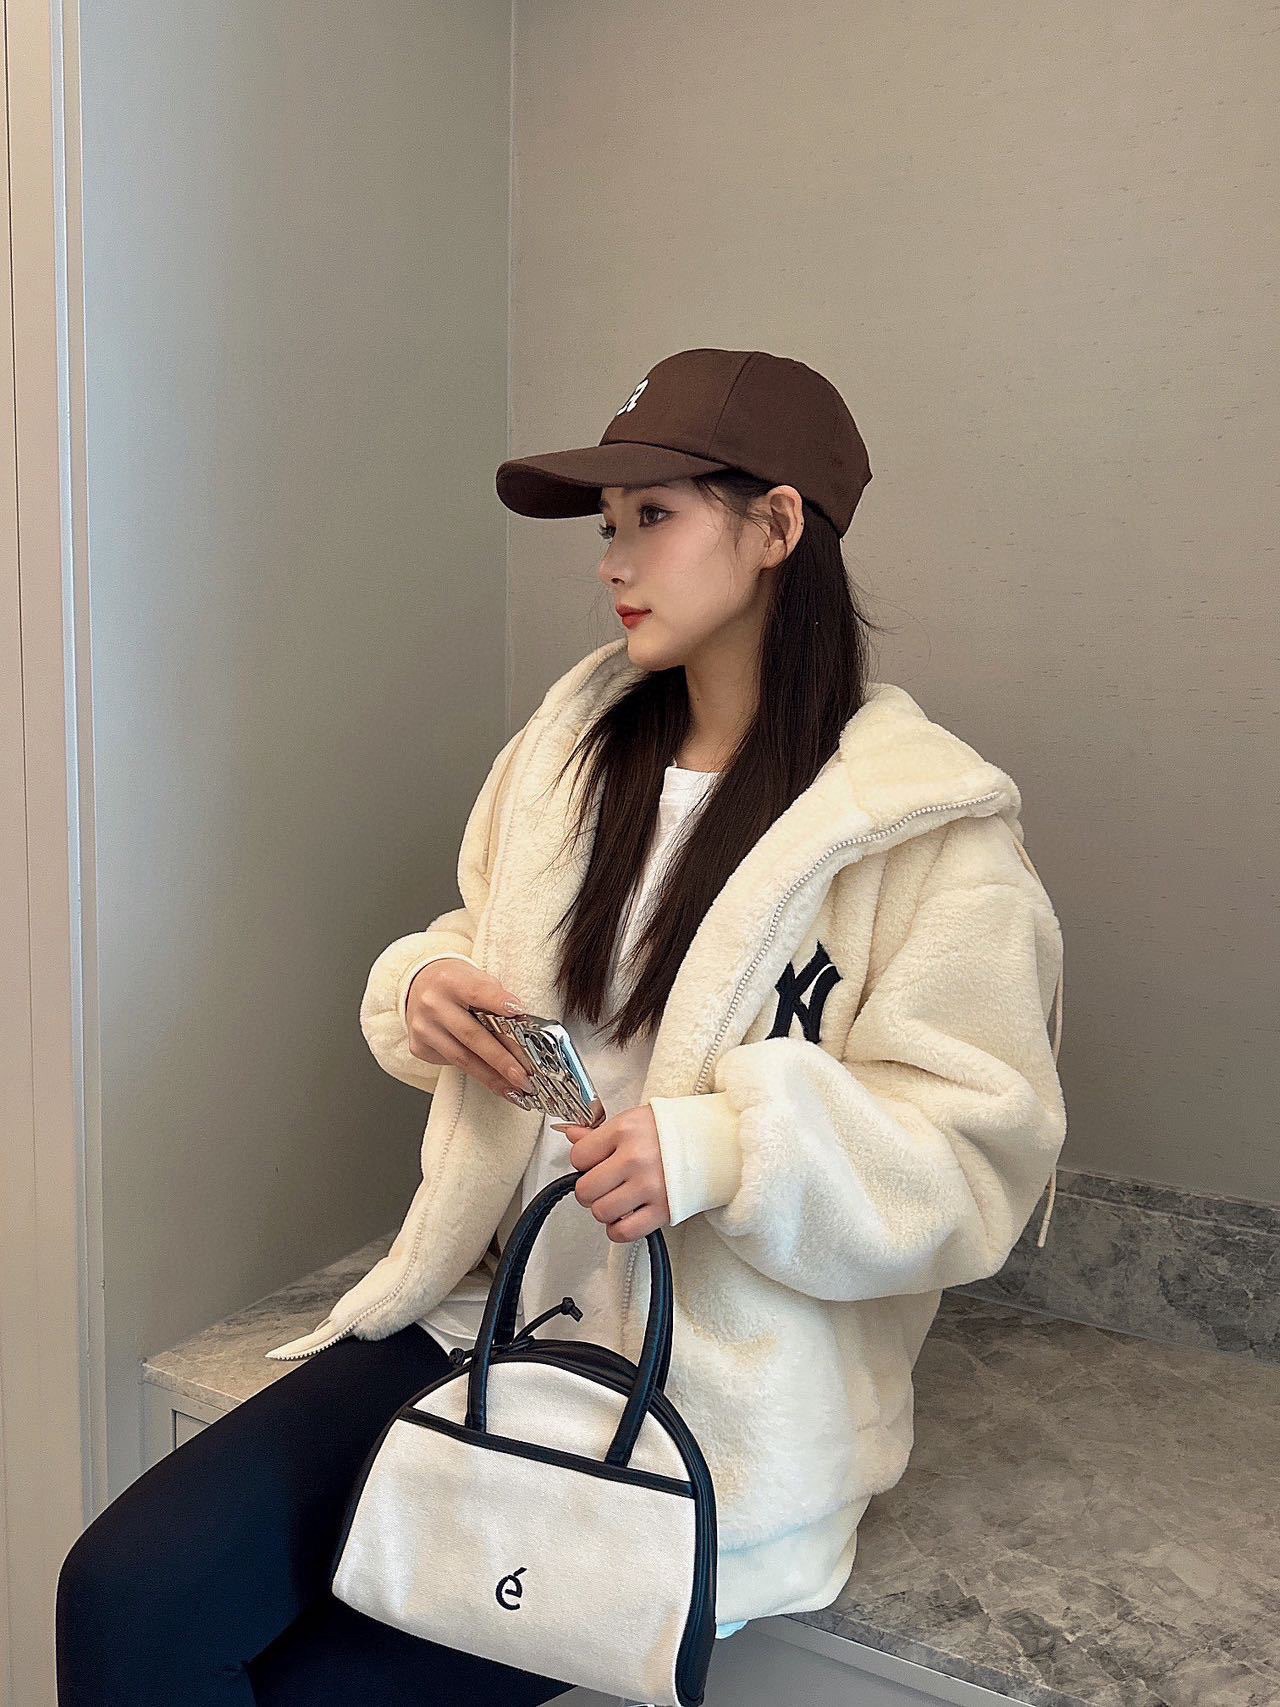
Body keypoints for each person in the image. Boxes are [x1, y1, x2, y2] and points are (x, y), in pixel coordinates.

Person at [56, 347, 1066, 1704]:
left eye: (655, 516)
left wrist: (724, 1151)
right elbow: (480, 934)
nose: (614, 561)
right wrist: (427, 985)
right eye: (607, 525)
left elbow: (977, 1159)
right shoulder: (570, 754)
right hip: (481, 1316)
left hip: (697, 1402)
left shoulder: (926, 841)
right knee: (124, 1596)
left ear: (777, 527)